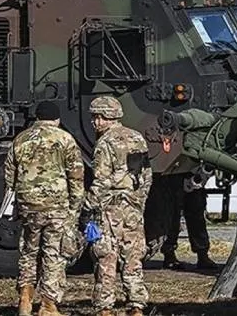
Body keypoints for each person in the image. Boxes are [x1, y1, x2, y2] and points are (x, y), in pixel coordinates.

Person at [4, 101, 84, 316]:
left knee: (29, 251)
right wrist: (75, 206)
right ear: (57, 119)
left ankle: (25, 298)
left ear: (37, 118)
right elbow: (76, 175)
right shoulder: (65, 139)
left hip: (28, 204)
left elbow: (9, 174)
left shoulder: (20, 139)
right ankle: (48, 305)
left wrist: (16, 199)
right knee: (53, 253)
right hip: (56, 205)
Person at [84, 96, 152, 316]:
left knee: (106, 256)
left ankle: (105, 307)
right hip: (132, 207)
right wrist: (139, 201)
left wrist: (88, 205)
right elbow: (146, 176)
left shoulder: (105, 143)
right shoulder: (137, 138)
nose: (95, 122)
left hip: (110, 209)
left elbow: (101, 180)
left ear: (108, 117)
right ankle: (136, 304)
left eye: (98, 117)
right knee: (133, 256)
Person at [160, 172, 218, 270]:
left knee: (197, 216)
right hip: (174, 175)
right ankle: (169, 254)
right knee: (173, 215)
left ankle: (202, 255)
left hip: (194, 173)